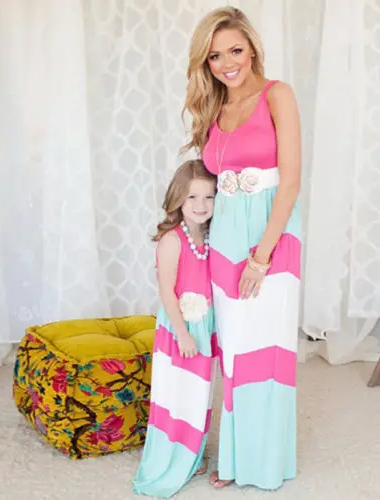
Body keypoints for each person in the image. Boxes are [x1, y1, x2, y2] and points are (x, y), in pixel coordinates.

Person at [182, 6, 302, 492]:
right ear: (205, 62)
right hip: (225, 239)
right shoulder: (214, 108)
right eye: (215, 56)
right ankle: (233, 458)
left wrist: (261, 257)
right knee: (232, 351)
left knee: (265, 351)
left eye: (235, 50)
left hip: (269, 238)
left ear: (252, 49)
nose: (227, 63)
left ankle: (263, 462)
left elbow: (290, 183)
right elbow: (209, 183)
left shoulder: (278, 95)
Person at [133, 160, 218, 498]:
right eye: (192, 197)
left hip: (203, 326)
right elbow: (167, 291)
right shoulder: (172, 240)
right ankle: (173, 453)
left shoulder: (210, 236)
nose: (201, 205)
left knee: (199, 394)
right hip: (180, 328)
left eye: (208, 197)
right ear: (178, 199)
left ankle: (192, 450)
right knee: (177, 394)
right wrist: (182, 332)